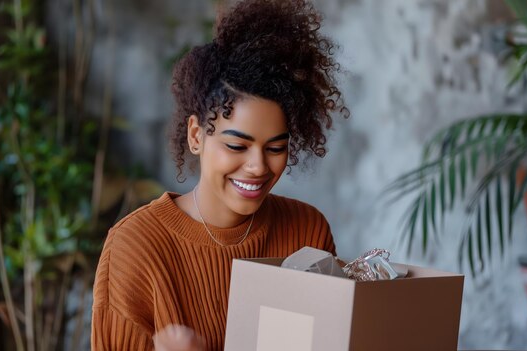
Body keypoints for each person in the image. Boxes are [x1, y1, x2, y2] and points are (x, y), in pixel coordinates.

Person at [91, 0, 348, 349]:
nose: (259, 166)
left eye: (275, 148)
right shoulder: (135, 249)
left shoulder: (307, 232)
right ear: (197, 136)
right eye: (237, 147)